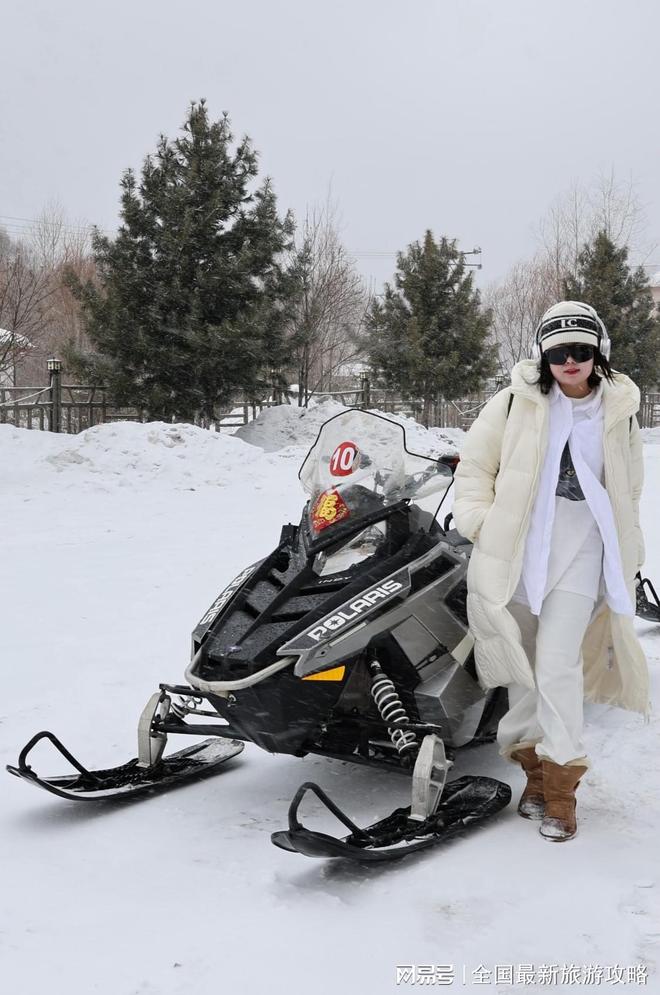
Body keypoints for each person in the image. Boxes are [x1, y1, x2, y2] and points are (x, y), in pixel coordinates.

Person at [451, 300, 650, 842]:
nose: (570, 361)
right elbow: (476, 465)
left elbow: (628, 483)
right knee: (524, 667)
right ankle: (534, 775)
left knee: (558, 663)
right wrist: (480, 521)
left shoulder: (618, 407)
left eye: (581, 350)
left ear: (597, 355)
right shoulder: (514, 403)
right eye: (560, 350)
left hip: (582, 546)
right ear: (544, 354)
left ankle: (562, 788)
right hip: (518, 551)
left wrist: (626, 542)